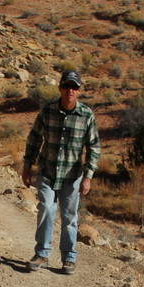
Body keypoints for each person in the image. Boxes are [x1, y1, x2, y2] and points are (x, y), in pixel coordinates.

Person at [21, 69, 100, 275]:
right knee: (46, 209)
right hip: (47, 172)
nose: (70, 90)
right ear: (60, 88)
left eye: (74, 87)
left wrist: (88, 177)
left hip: (72, 177)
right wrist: (27, 166)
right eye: (66, 86)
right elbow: (34, 138)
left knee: (69, 218)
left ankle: (69, 258)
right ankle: (42, 254)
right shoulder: (47, 111)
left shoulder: (86, 115)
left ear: (79, 90)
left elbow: (94, 147)